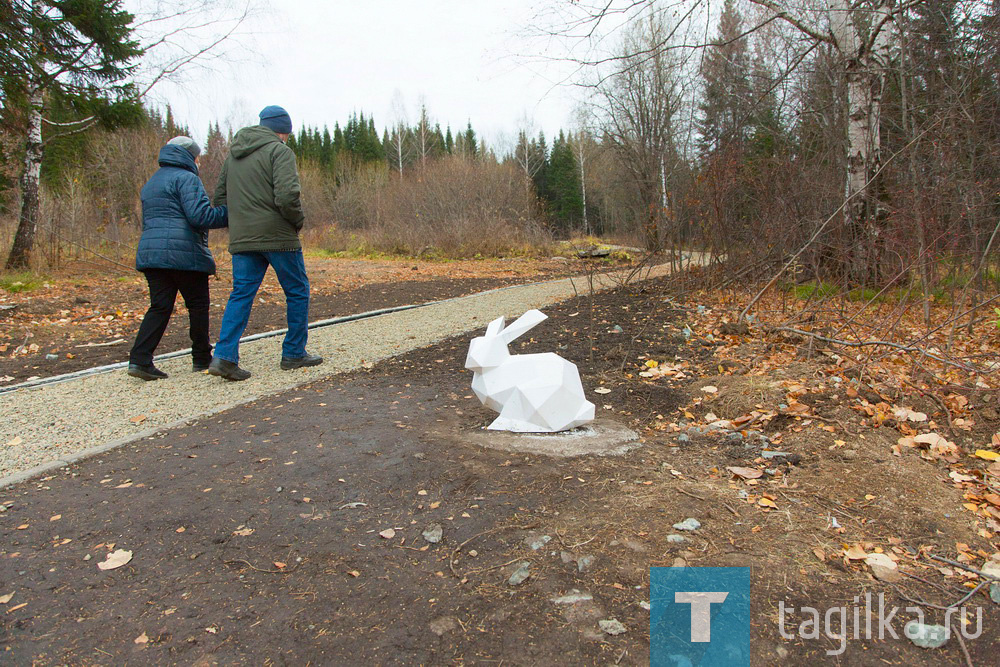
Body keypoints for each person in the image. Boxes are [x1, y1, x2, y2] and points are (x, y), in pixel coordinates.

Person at [208, 105, 322, 381]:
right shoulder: (279, 151)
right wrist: (296, 221)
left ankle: (224, 356)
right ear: (283, 131)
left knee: (241, 294)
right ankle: (294, 352)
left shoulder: (232, 156)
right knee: (297, 290)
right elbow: (287, 195)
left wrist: (240, 223)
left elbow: (220, 200)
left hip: (243, 238)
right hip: (278, 236)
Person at [128, 136, 228, 381]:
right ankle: (201, 357)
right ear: (189, 156)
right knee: (198, 305)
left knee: (160, 306)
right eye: (198, 157)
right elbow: (200, 217)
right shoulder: (187, 178)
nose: (199, 162)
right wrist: (230, 212)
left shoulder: (152, 181)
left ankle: (140, 359)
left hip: (152, 254)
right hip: (184, 254)